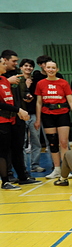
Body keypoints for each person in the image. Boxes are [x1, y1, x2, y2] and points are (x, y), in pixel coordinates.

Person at [35, 60, 72, 179]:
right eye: (48, 67)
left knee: (63, 142)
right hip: (47, 115)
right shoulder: (41, 83)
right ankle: (57, 169)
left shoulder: (63, 83)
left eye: (53, 68)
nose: (51, 70)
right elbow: (39, 102)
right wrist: (38, 119)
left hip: (62, 114)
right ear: (45, 69)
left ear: (57, 69)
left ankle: (65, 170)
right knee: (52, 142)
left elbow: (71, 100)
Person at [0, 56, 32, 191]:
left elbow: (10, 100)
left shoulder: (3, 80)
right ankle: (5, 181)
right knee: (2, 152)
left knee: (15, 148)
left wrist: (18, 112)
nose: (4, 65)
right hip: (1, 120)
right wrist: (18, 110)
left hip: (11, 119)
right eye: (2, 63)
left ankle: (22, 177)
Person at [18, 58, 45, 173]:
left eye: (30, 66)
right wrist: (26, 87)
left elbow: (37, 97)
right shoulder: (17, 80)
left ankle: (35, 164)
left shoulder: (36, 81)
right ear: (21, 67)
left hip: (33, 113)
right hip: (21, 114)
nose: (28, 68)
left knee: (36, 140)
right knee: (22, 141)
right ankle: (23, 167)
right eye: (25, 66)